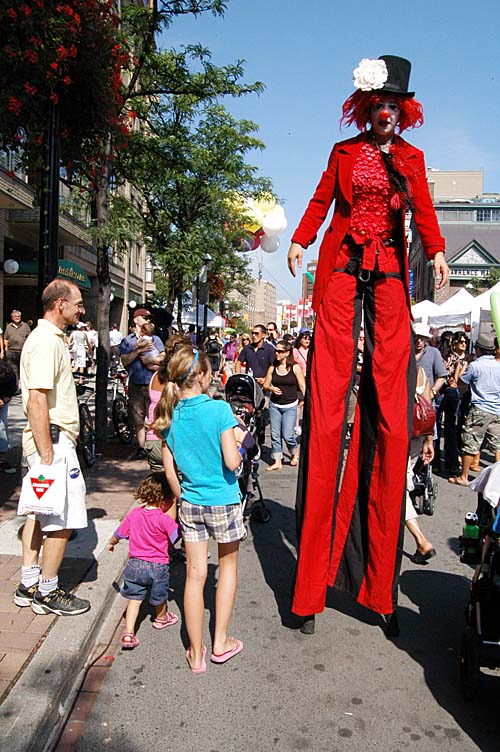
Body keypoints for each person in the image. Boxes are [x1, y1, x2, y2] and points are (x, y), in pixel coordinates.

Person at [287, 55, 449, 633]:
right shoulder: (343, 154)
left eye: (393, 107)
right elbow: (319, 202)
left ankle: (381, 590)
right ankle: (307, 593)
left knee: (391, 421)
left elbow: (425, 213)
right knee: (328, 414)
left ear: (403, 113)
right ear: (365, 110)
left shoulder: (411, 159)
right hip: (339, 274)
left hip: (388, 281)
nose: (385, 114)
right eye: (377, 106)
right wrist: (301, 240)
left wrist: (438, 252)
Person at [152, 346, 246, 674]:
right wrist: (242, 446)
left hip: (191, 502)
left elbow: (169, 471)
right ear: (204, 376)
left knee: (194, 575)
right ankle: (220, 642)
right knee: (227, 569)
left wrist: (183, 498)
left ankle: (195, 653)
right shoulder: (220, 411)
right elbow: (232, 462)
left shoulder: (169, 416)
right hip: (222, 499)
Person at [14, 279, 90, 616]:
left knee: (39, 512)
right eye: (77, 304)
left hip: (49, 440)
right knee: (63, 517)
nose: (81, 310)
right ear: (60, 304)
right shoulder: (46, 341)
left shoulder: (48, 339)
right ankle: (47, 589)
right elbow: (36, 400)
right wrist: (46, 454)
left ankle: (29, 583)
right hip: (53, 443)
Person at [108, 474, 180, 649]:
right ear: (166, 498)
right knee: (159, 595)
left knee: (134, 598)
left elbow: (119, 534)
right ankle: (161, 618)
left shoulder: (134, 514)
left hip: (135, 564)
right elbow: (176, 536)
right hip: (158, 565)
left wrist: (111, 543)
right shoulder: (163, 519)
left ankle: (128, 633)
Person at [449, 335, 500, 487]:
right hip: (496, 409)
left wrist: (463, 368)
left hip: (479, 408)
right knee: (497, 445)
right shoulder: (498, 365)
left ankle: (464, 476)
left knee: (470, 442)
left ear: (477, 349)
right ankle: (498, 477)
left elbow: (461, 382)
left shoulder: (475, 366)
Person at [120, 308, 165, 460]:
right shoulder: (128, 341)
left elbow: (163, 357)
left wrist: (150, 360)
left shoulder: (156, 339)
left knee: (154, 414)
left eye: (149, 318)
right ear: (136, 320)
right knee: (138, 416)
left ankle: (155, 445)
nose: (148, 320)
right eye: (145, 318)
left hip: (154, 383)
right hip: (136, 382)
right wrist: (138, 351)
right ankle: (141, 447)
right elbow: (125, 360)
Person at [405, 365, 436, 564]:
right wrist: (429, 440)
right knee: (402, 482)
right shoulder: (420, 371)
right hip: (417, 434)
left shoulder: (396, 367)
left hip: (397, 434)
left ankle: (421, 540)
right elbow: (427, 405)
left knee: (396, 489)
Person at [263, 339, 306, 471]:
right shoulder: (272, 367)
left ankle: (294, 451)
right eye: (276, 351)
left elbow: (302, 385)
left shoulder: (295, 368)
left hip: (290, 406)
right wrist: (271, 389)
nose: (277, 353)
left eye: (280, 351)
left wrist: (305, 401)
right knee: (275, 436)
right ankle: (277, 461)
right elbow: (265, 384)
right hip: (275, 405)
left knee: (288, 435)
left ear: (287, 353)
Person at [4, 309, 31, 388]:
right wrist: (6, 349)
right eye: (15, 316)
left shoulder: (25, 326)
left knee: (23, 369)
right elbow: (5, 338)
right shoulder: (8, 327)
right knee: (13, 370)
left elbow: (29, 338)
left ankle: (24, 386)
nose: (17, 318)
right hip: (11, 352)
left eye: (18, 316)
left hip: (23, 351)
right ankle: (15, 386)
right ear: (12, 318)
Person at [0, 358, 17, 474]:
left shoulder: (9, 374)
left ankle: (2, 459)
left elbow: (11, 392)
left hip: (3, 398)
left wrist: (4, 400)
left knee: (2, 426)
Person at [293, 329, 311, 435]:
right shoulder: (295, 351)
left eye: (309, 338)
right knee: (299, 402)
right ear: (300, 339)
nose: (307, 340)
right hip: (299, 379)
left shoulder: (311, 350)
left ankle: (307, 422)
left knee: (306, 401)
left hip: (309, 379)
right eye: (305, 338)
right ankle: (296, 424)